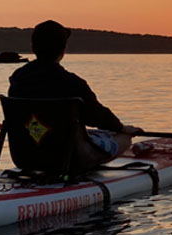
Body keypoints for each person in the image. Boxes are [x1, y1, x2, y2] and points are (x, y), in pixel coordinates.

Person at [8, 20, 140, 172]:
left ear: (33, 48)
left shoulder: (18, 79)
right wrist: (122, 128)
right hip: (70, 158)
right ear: (63, 50)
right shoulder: (73, 83)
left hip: (25, 157)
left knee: (93, 133)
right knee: (124, 139)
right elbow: (97, 116)